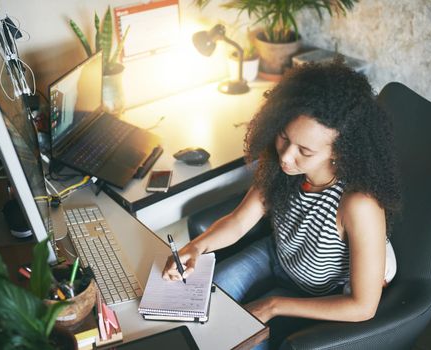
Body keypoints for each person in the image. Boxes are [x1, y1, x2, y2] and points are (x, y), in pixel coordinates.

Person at [163, 61, 401, 349]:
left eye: (305, 151)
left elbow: (363, 306)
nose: (287, 157)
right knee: (200, 302)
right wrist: (196, 247)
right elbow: (239, 222)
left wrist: (273, 305)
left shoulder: (358, 204)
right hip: (275, 256)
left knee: (240, 341)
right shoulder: (281, 166)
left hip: (316, 294)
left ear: (339, 152)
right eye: (284, 137)